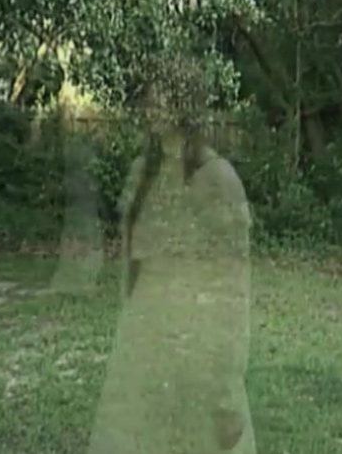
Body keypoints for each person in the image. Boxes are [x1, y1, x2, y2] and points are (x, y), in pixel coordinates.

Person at [86, 75, 256, 454]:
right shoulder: (142, 174)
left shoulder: (218, 179)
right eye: (149, 99)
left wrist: (227, 387)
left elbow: (233, 292)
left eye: (161, 99)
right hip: (144, 351)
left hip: (195, 355)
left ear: (186, 109)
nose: (150, 108)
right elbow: (131, 276)